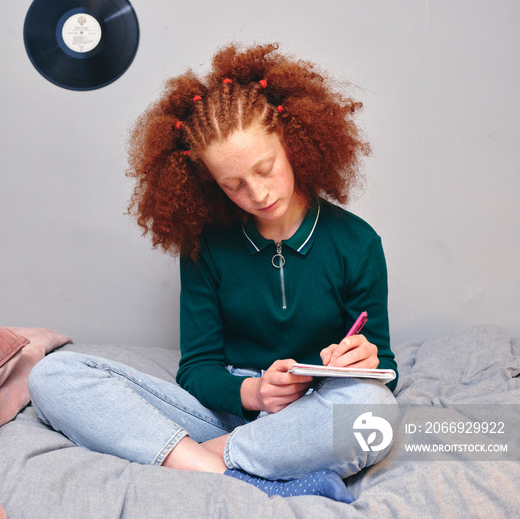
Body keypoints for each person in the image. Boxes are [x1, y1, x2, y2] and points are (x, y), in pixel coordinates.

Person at [29, 42, 398, 504]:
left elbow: (386, 370)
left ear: (295, 147)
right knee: (53, 375)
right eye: (234, 185)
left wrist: (367, 364)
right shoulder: (205, 245)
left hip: (313, 412)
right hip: (230, 411)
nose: (258, 193)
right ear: (211, 184)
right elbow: (198, 368)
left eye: (266, 169)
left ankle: (198, 461)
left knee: (376, 411)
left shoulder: (357, 243)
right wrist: (256, 392)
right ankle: (239, 476)